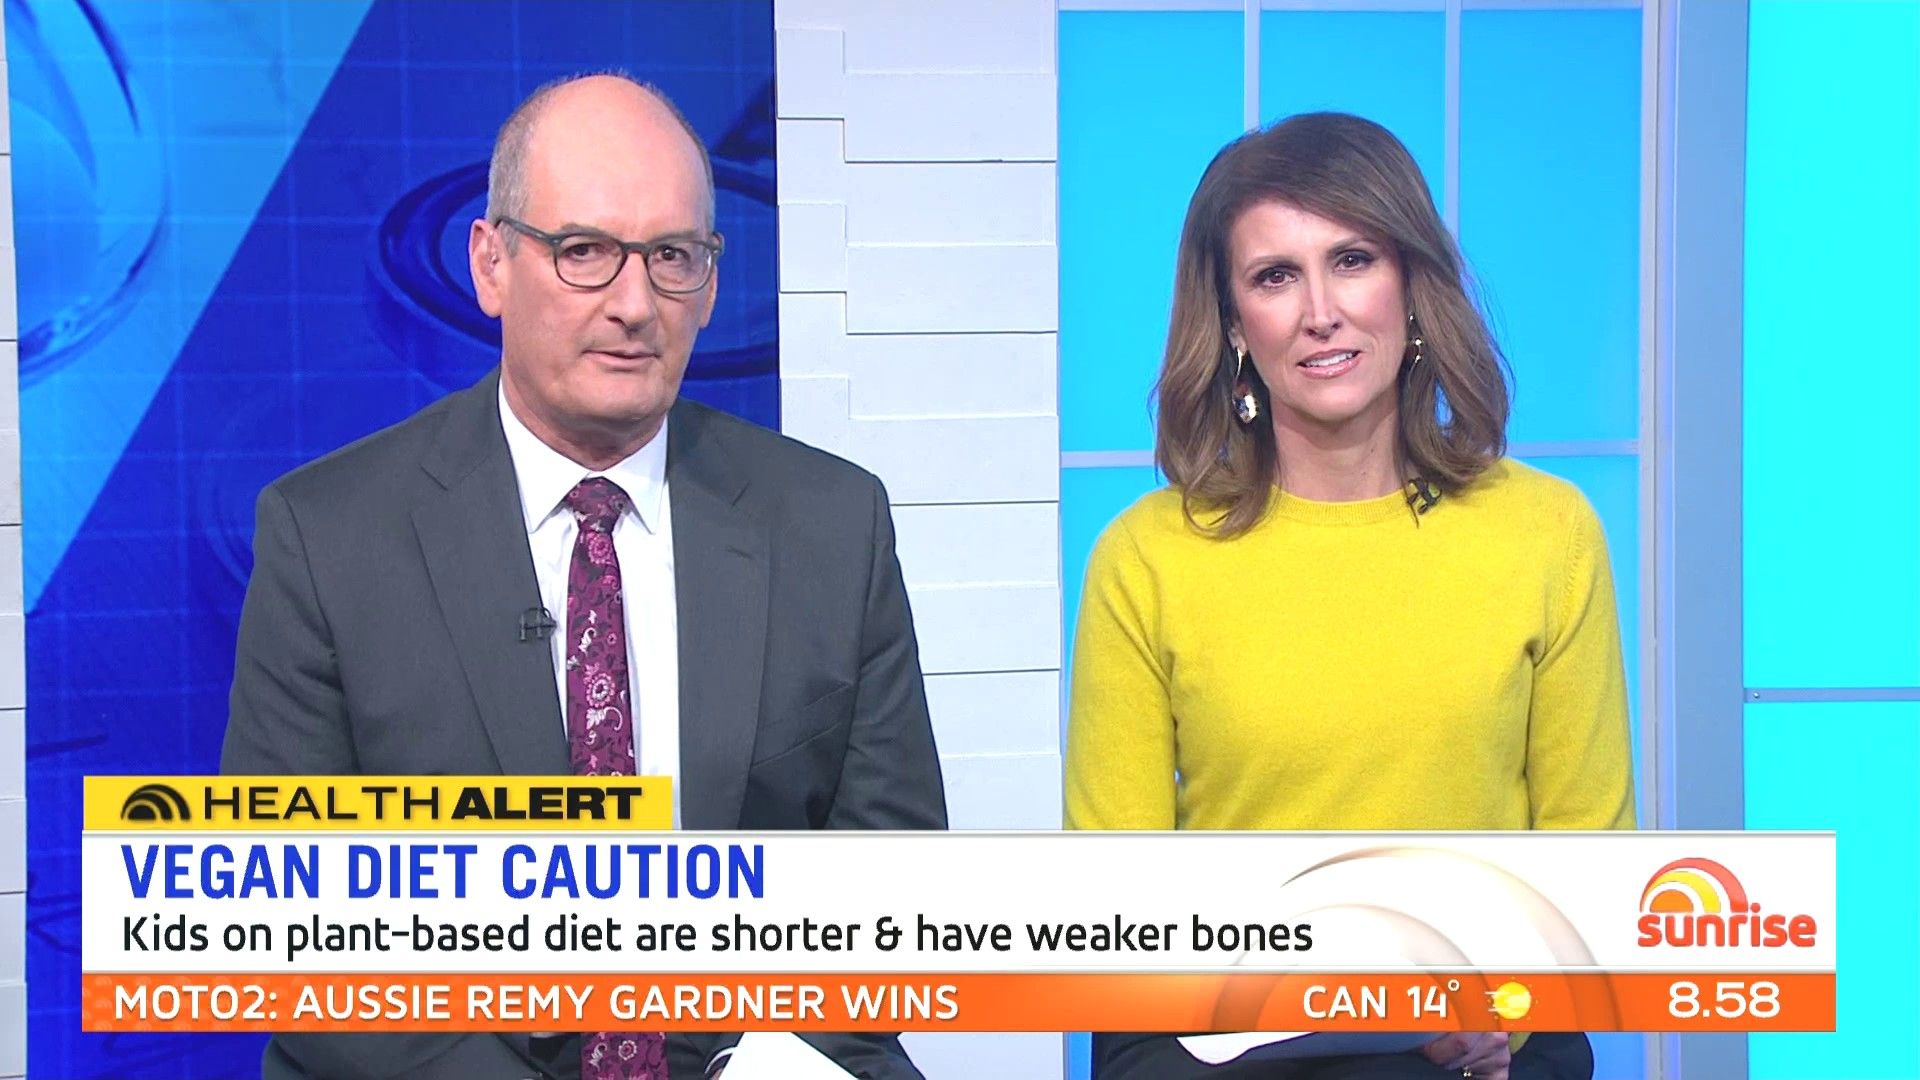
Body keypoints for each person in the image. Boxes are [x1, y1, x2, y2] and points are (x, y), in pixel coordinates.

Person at [223, 72, 946, 1080]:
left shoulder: (831, 523)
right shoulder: (330, 537)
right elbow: (296, 926)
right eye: (585, 252)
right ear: (490, 263)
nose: (636, 305)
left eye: (673, 257)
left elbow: (889, 885)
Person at [1064, 113, 1634, 1080]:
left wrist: (1483, 1022)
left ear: (1411, 286)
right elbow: (1118, 906)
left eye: (1353, 260)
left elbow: (1587, 868)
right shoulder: (1146, 558)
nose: (1320, 312)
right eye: (1274, 277)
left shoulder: (1548, 532)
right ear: (1234, 323)